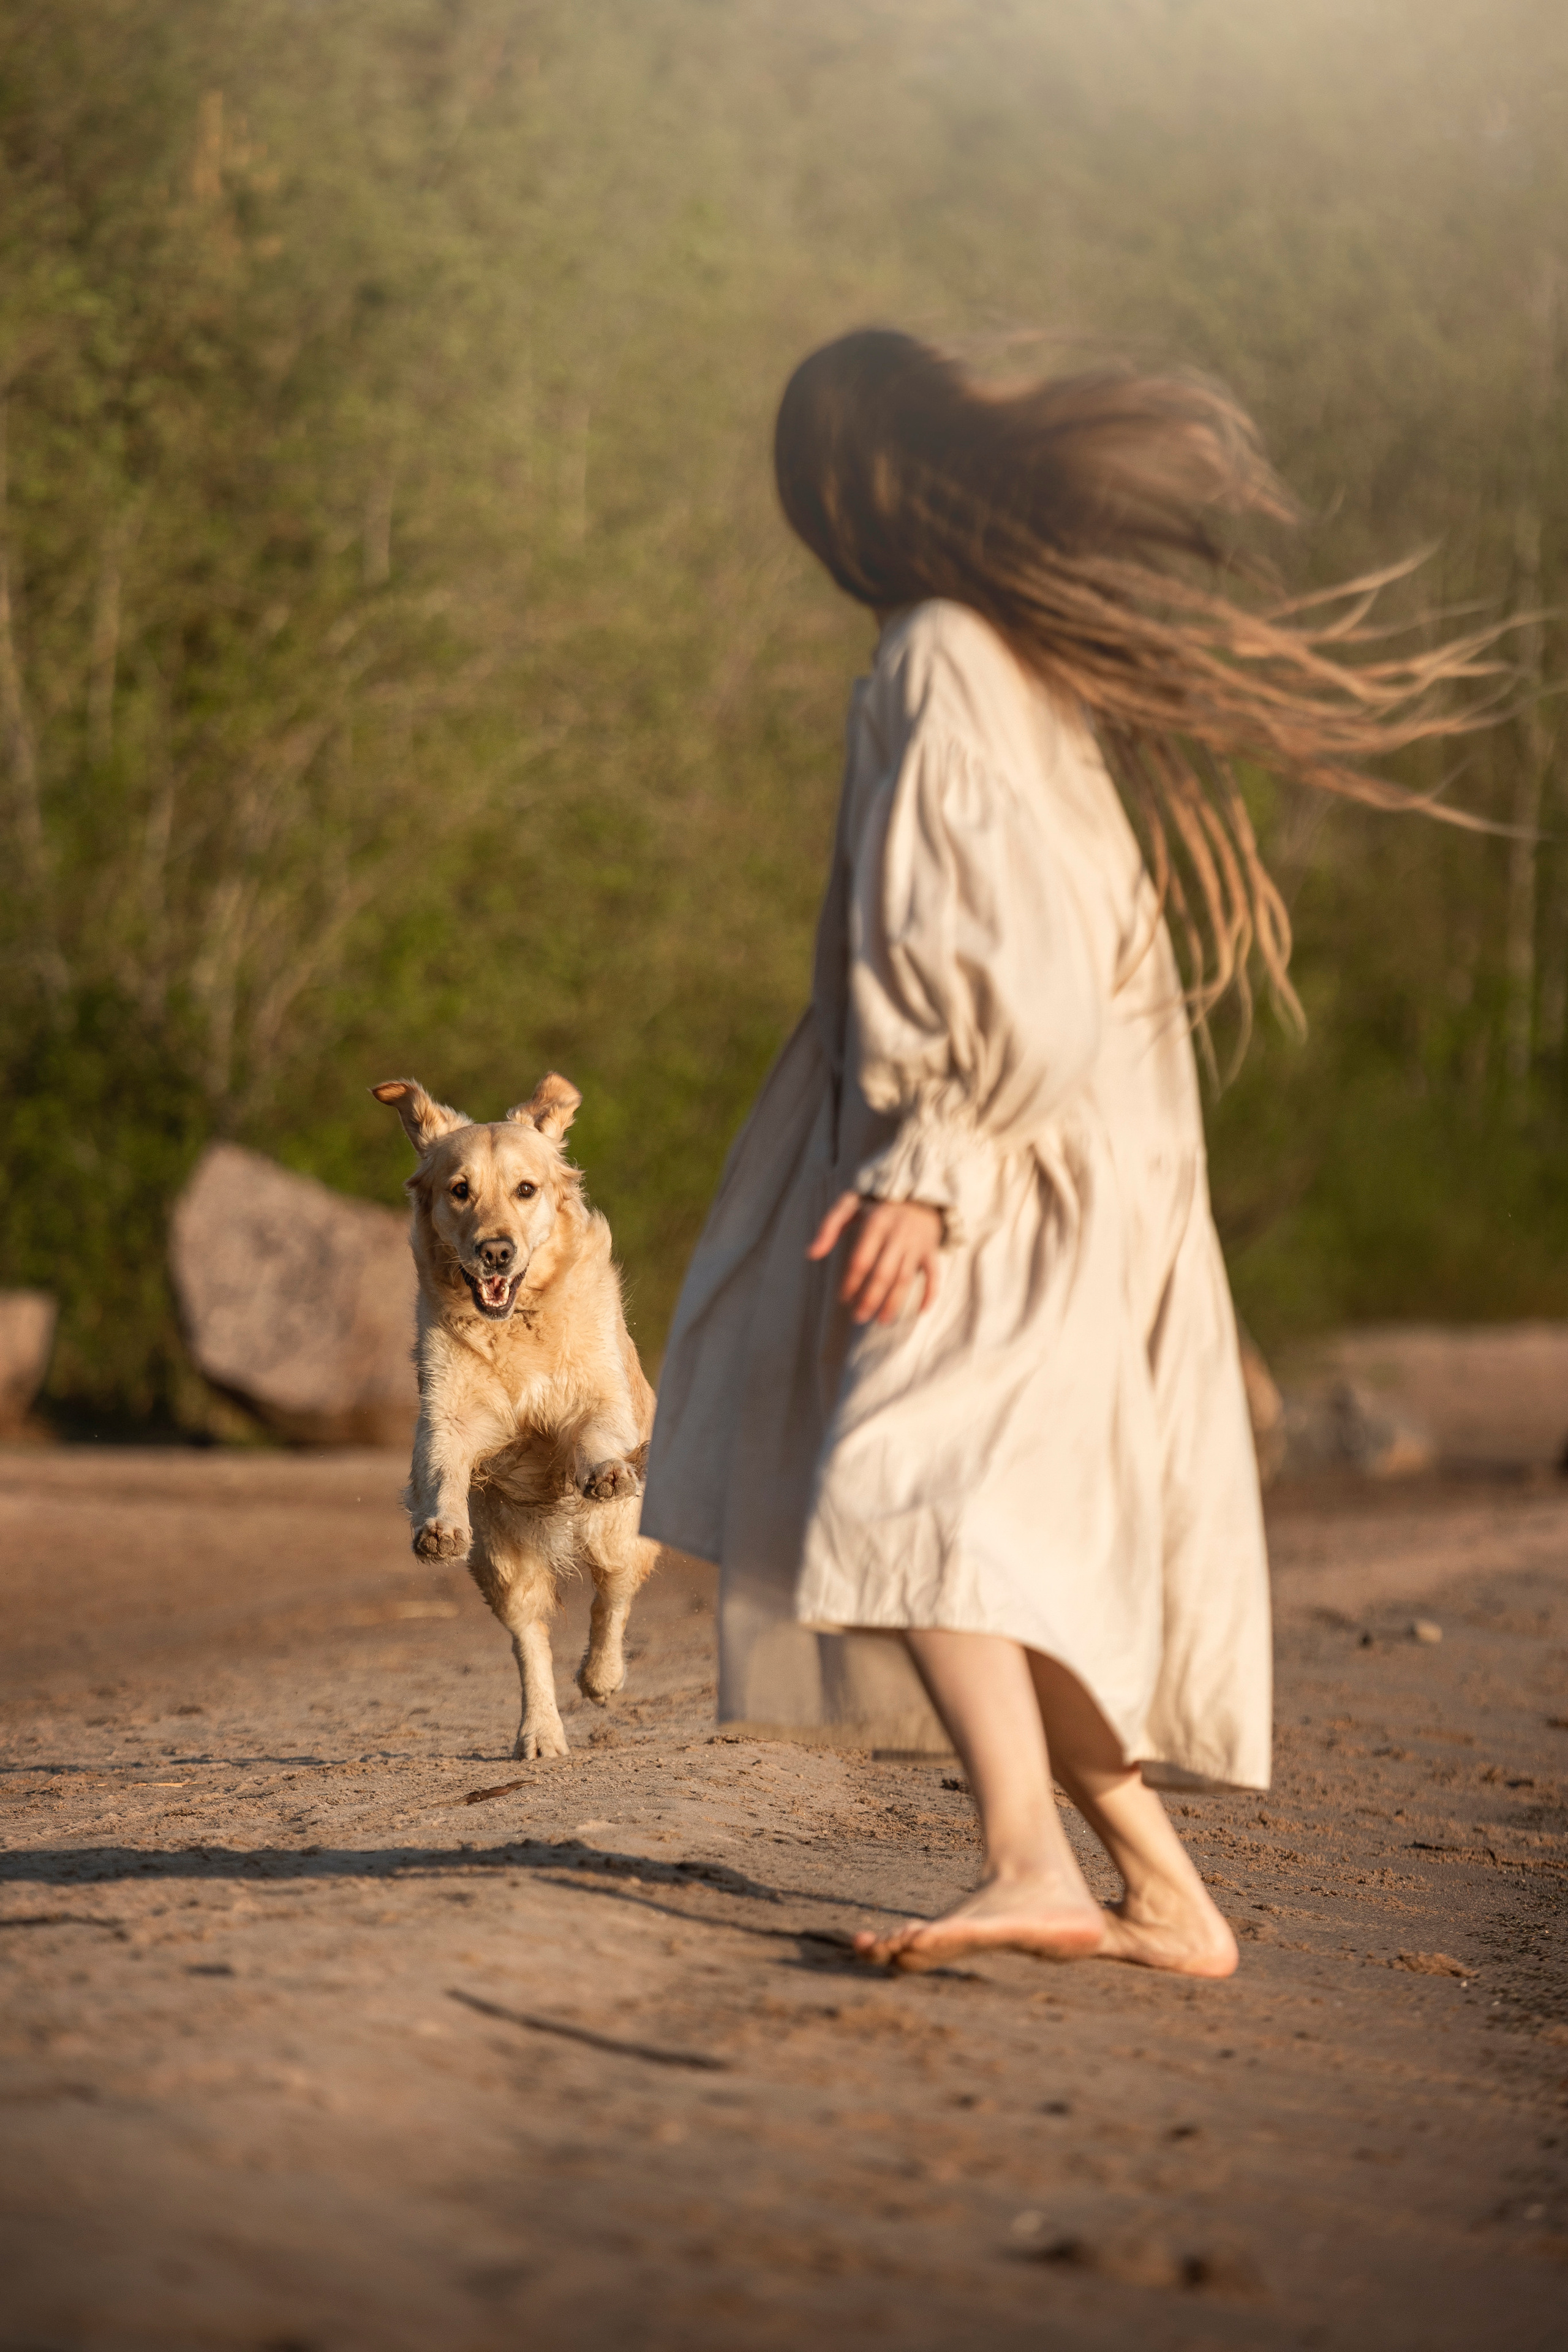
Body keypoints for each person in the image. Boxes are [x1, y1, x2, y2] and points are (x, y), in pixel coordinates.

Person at [639, 330, 1506, 1975]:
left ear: (843, 494)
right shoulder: (996, 654)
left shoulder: (938, 657)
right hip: (1062, 1151)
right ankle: (1162, 1893)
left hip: (1006, 1163)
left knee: (901, 1487)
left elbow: (985, 948)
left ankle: (1031, 1864)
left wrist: (928, 1166)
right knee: (963, 1521)